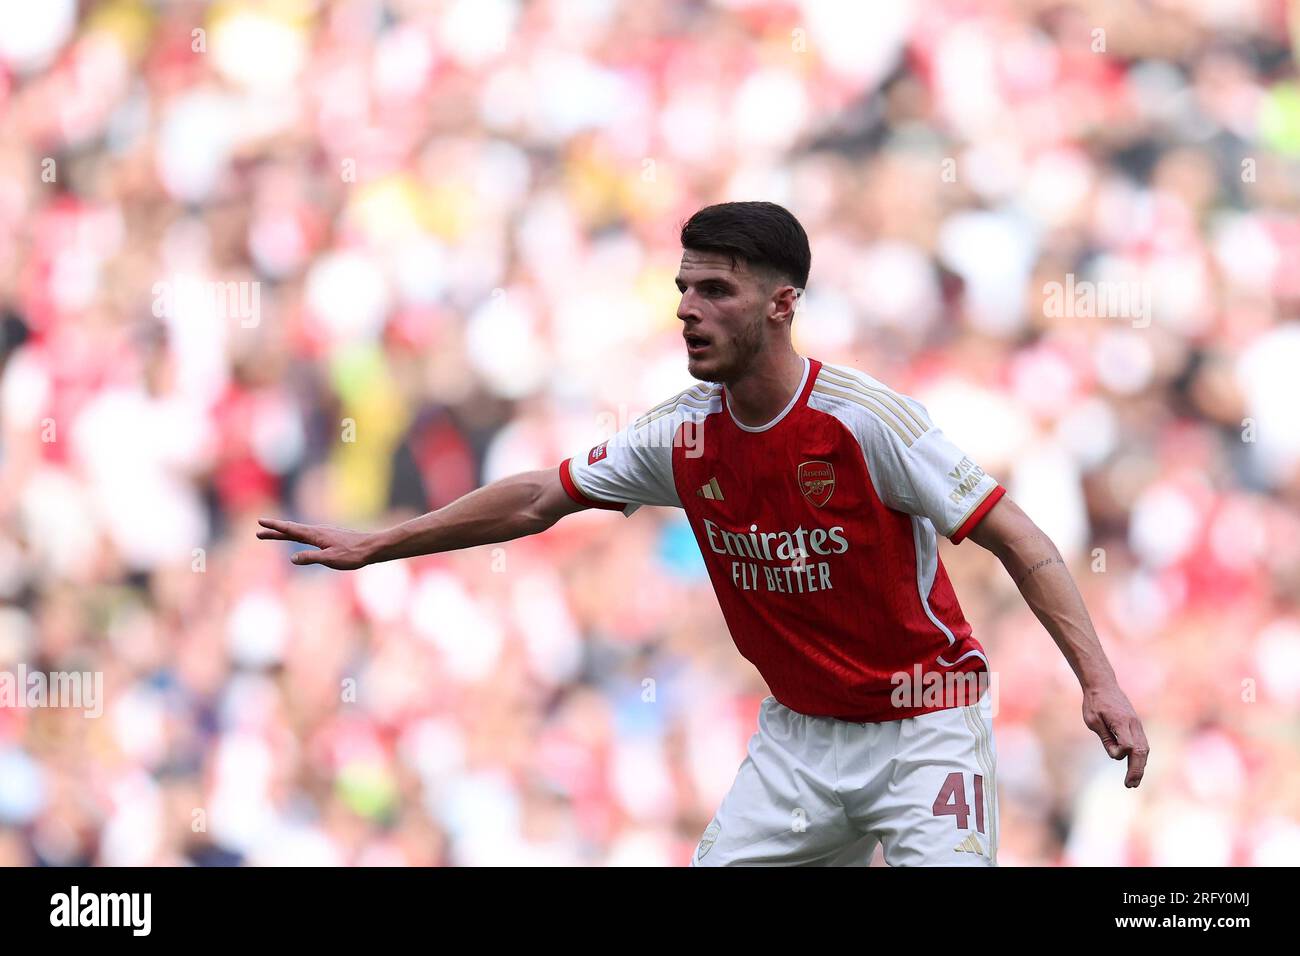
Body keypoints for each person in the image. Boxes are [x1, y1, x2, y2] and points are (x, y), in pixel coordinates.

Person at [257, 201, 1149, 867]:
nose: (687, 307)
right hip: (800, 740)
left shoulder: (868, 423)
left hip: (926, 727)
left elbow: (1022, 540)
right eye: (682, 287)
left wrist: (1100, 684)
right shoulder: (681, 435)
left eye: (715, 288)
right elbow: (539, 497)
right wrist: (380, 544)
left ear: (780, 305)